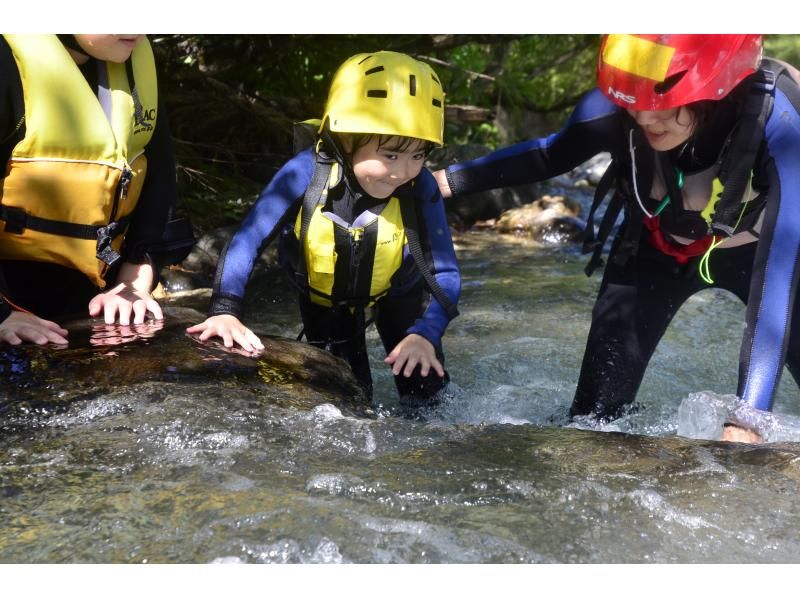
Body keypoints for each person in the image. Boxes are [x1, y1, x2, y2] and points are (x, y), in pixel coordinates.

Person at [433, 34, 800, 443]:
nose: (643, 119)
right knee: (591, 425)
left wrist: (748, 418)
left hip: (765, 258)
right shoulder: (614, 106)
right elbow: (548, 155)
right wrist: (446, 181)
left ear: (718, 87)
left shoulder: (781, 124)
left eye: (660, 107)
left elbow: (780, 269)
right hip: (654, 251)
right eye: (633, 105)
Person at [188, 51, 460, 407]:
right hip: (325, 299)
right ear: (346, 138)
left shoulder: (419, 187)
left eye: (419, 155)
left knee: (428, 398)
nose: (403, 171)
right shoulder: (305, 172)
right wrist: (224, 309)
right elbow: (247, 240)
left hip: (400, 293)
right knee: (345, 402)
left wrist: (426, 332)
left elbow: (447, 272)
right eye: (391, 155)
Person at [0, 34, 193, 346]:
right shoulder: (7, 62)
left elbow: (158, 180)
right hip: (12, 298)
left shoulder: (131, 57)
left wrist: (134, 278)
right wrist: (3, 313)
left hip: (88, 296)